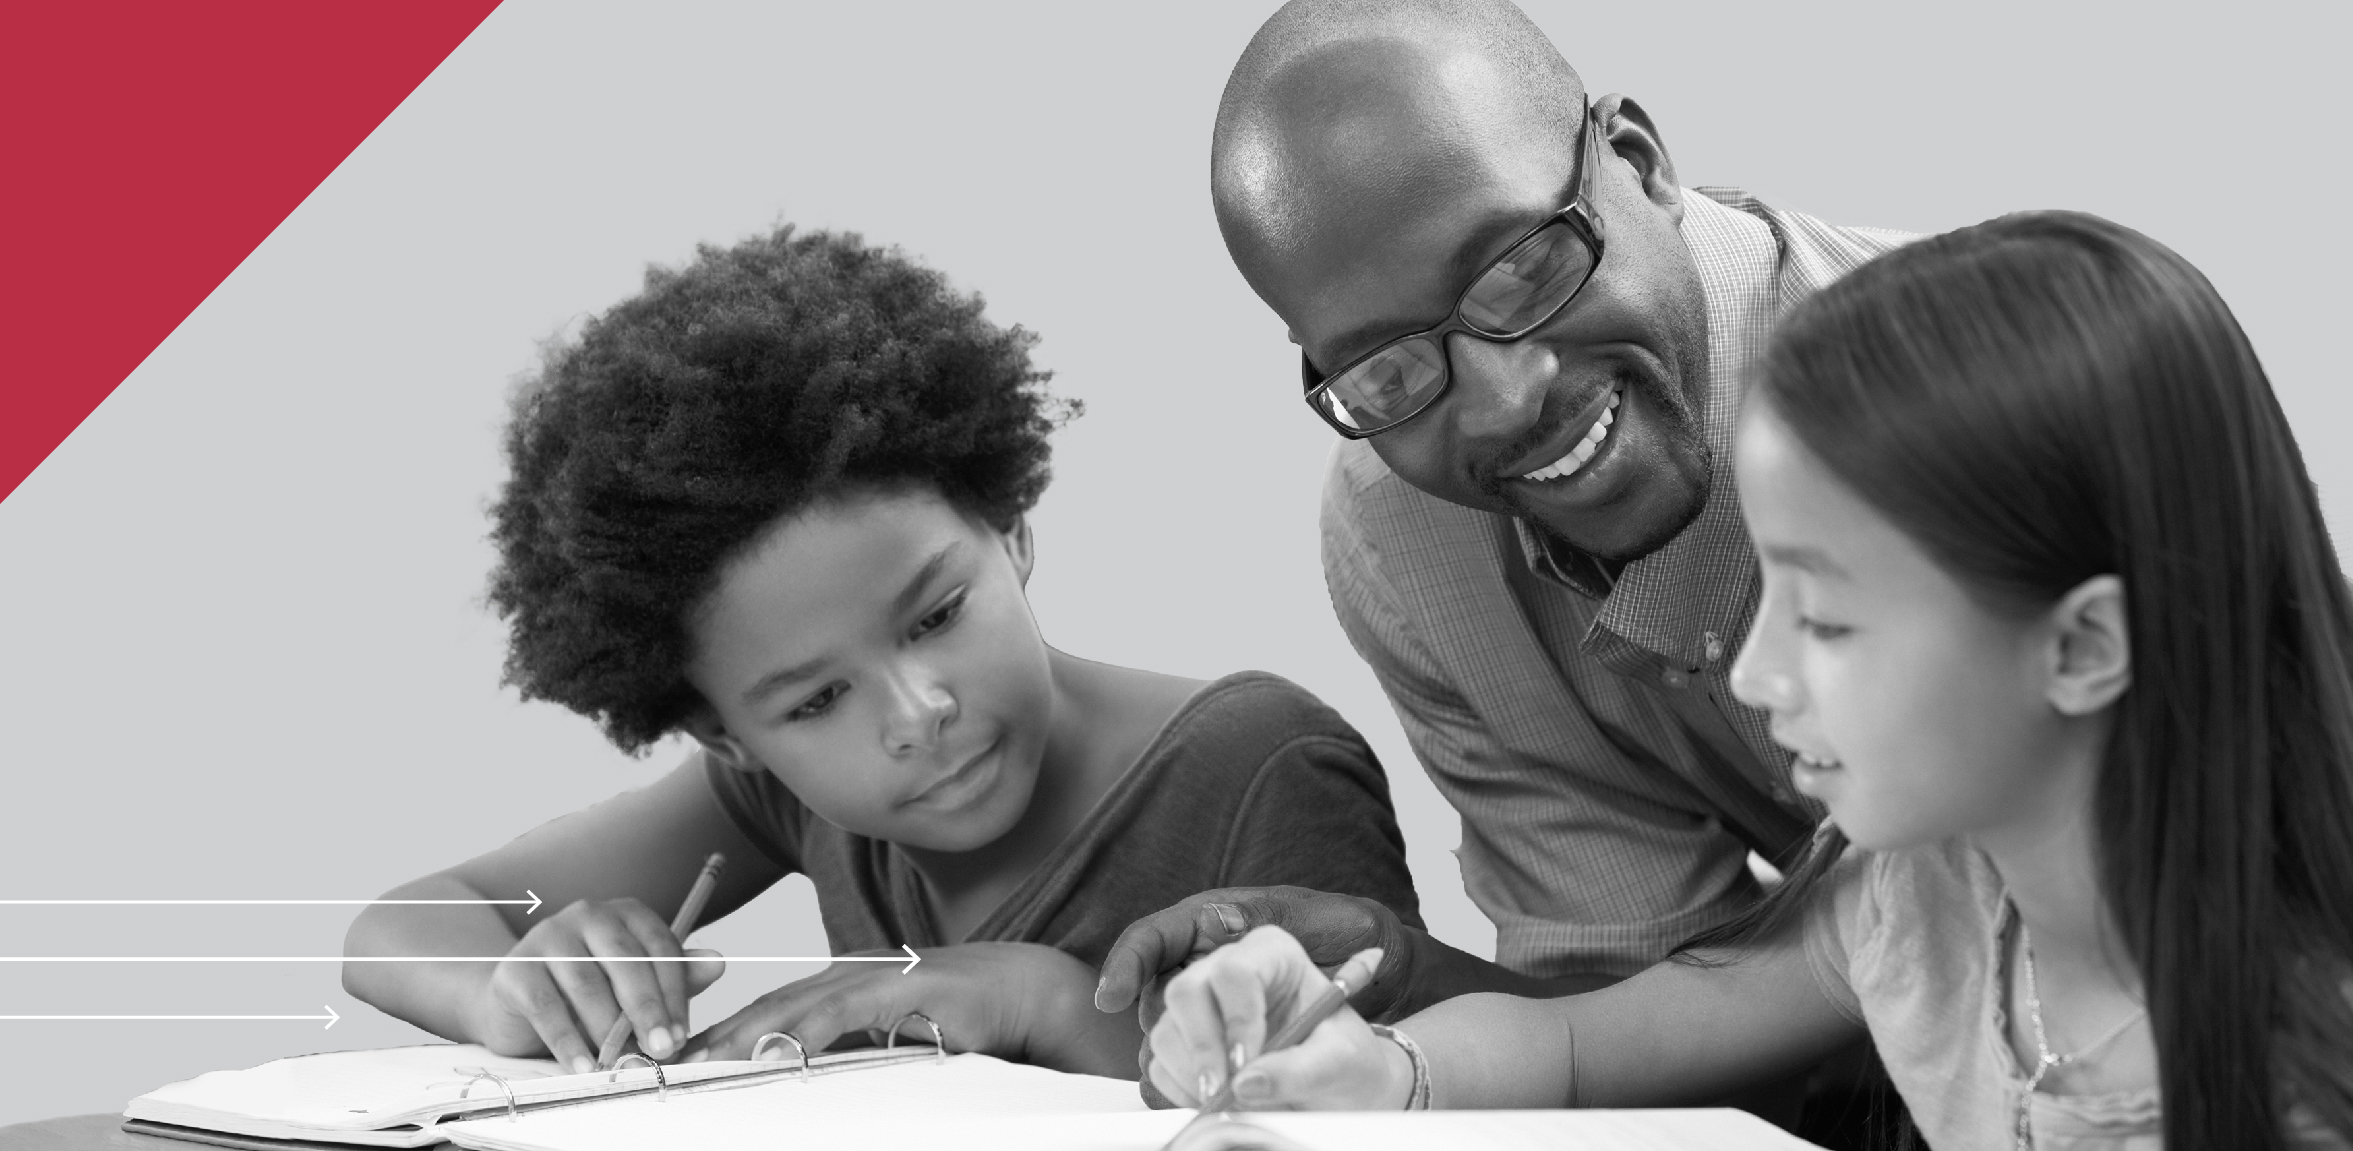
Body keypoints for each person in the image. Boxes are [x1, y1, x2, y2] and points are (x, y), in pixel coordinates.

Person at [1144, 212, 2353, 1149]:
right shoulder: (1930, 904)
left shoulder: (2299, 1075)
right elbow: (1582, 1044)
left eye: (1826, 616)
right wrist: (1385, 1075)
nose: (1756, 672)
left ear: (2084, 645)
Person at [340, 227, 1422, 1080]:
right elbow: (400, 921)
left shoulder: (1257, 765)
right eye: (814, 701)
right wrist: (515, 988)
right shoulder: (774, 795)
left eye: (935, 614)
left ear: (1011, 526)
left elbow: (1388, 1098)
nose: (916, 711)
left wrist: (1036, 998)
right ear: (730, 730)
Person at [1098, 0, 1912, 1048]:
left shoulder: (1997, 391)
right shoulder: (1406, 543)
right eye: (1387, 367)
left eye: (1522, 269)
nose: (1502, 400)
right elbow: (1680, 1041)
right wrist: (1399, 974)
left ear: (1640, 162)